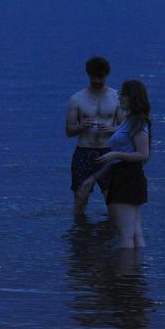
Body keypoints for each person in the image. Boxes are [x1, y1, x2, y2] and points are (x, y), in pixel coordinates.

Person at [78, 80, 151, 248]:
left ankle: (125, 272)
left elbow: (143, 154)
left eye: (123, 94)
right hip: (126, 176)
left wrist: (115, 154)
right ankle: (136, 271)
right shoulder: (128, 120)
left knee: (125, 236)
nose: (119, 98)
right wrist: (95, 177)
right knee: (134, 233)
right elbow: (120, 158)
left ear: (133, 97)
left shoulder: (137, 122)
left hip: (127, 178)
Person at [66, 57, 125, 215]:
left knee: (112, 202)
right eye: (94, 77)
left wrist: (111, 129)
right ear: (88, 75)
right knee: (80, 199)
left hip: (108, 152)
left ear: (106, 75)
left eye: (101, 77)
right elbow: (69, 130)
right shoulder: (77, 99)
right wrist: (81, 126)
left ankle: (111, 236)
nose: (97, 80)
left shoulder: (116, 97)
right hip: (84, 152)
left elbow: (125, 127)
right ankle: (80, 235)